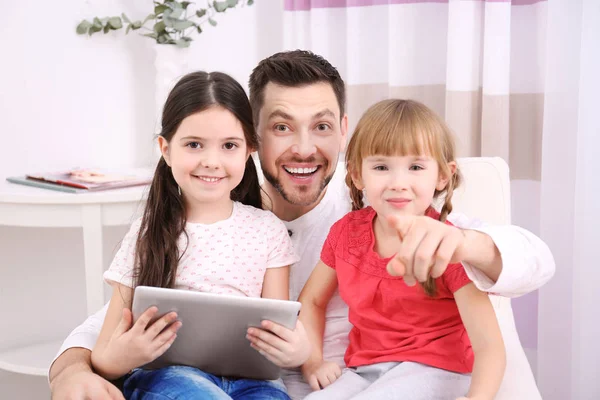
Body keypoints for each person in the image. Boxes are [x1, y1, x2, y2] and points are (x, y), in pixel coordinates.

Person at [49, 50, 555, 400]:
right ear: (253, 140)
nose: (304, 148)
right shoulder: (215, 210)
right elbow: (123, 311)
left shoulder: (391, 206)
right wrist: (71, 368)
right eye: (282, 127)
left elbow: (533, 261)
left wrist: (466, 243)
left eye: (322, 126)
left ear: (344, 133)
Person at [89, 70, 300, 399]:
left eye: (229, 145)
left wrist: (296, 351)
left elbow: (278, 328)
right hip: (168, 376)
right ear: (166, 149)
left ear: (248, 151)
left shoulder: (267, 230)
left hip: (253, 382)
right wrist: (128, 354)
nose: (212, 161)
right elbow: (103, 356)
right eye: (194, 145)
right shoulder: (148, 234)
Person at [298, 99, 506, 400]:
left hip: (437, 370)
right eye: (381, 166)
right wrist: (313, 362)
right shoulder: (345, 233)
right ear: (357, 175)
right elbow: (313, 300)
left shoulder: (450, 245)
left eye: (416, 167)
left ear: (442, 176)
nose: (398, 183)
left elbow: (489, 346)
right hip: (364, 370)